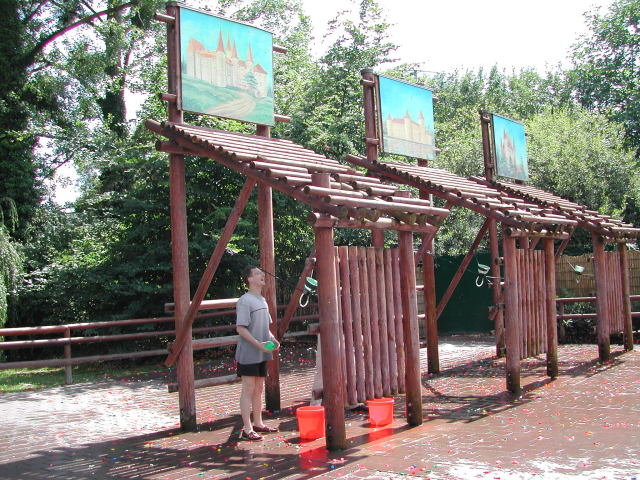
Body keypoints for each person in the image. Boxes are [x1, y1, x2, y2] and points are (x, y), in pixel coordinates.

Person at [235, 265, 281, 441]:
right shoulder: (245, 300)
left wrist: (273, 339)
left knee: (259, 388)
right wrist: (258, 345)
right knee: (248, 389)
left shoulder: (262, 300)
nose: (262, 275)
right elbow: (241, 328)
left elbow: (265, 327)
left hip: (262, 353)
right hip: (248, 353)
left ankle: (258, 424)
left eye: (262, 273)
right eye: (257, 273)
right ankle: (247, 429)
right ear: (249, 279)